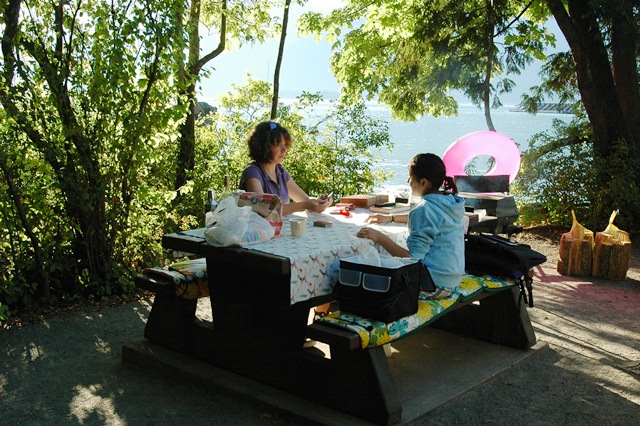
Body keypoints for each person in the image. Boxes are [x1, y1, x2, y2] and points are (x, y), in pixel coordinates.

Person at [356, 153, 465, 289]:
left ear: (423, 182)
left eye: (411, 177)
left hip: (433, 284)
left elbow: (412, 260)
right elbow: (432, 220)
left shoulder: (423, 209)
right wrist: (391, 218)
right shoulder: (450, 202)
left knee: (370, 277)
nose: (408, 181)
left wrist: (379, 236)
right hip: (452, 279)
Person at [239, 121, 332, 216]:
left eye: (285, 144)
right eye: (278, 144)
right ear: (263, 146)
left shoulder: (280, 171)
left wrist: (319, 202)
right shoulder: (252, 173)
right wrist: (305, 205)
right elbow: (264, 209)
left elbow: (304, 200)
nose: (284, 150)